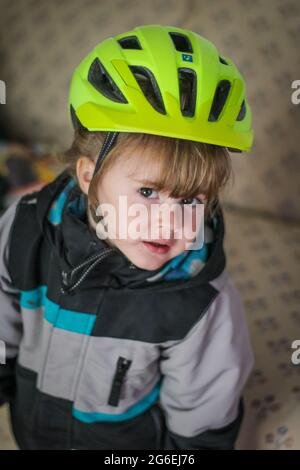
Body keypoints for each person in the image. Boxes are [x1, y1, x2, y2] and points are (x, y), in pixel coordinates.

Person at [0, 24, 254, 450]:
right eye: (148, 192)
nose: (169, 221)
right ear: (88, 175)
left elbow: (203, 422)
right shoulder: (27, 231)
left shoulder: (198, 302)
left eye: (191, 199)